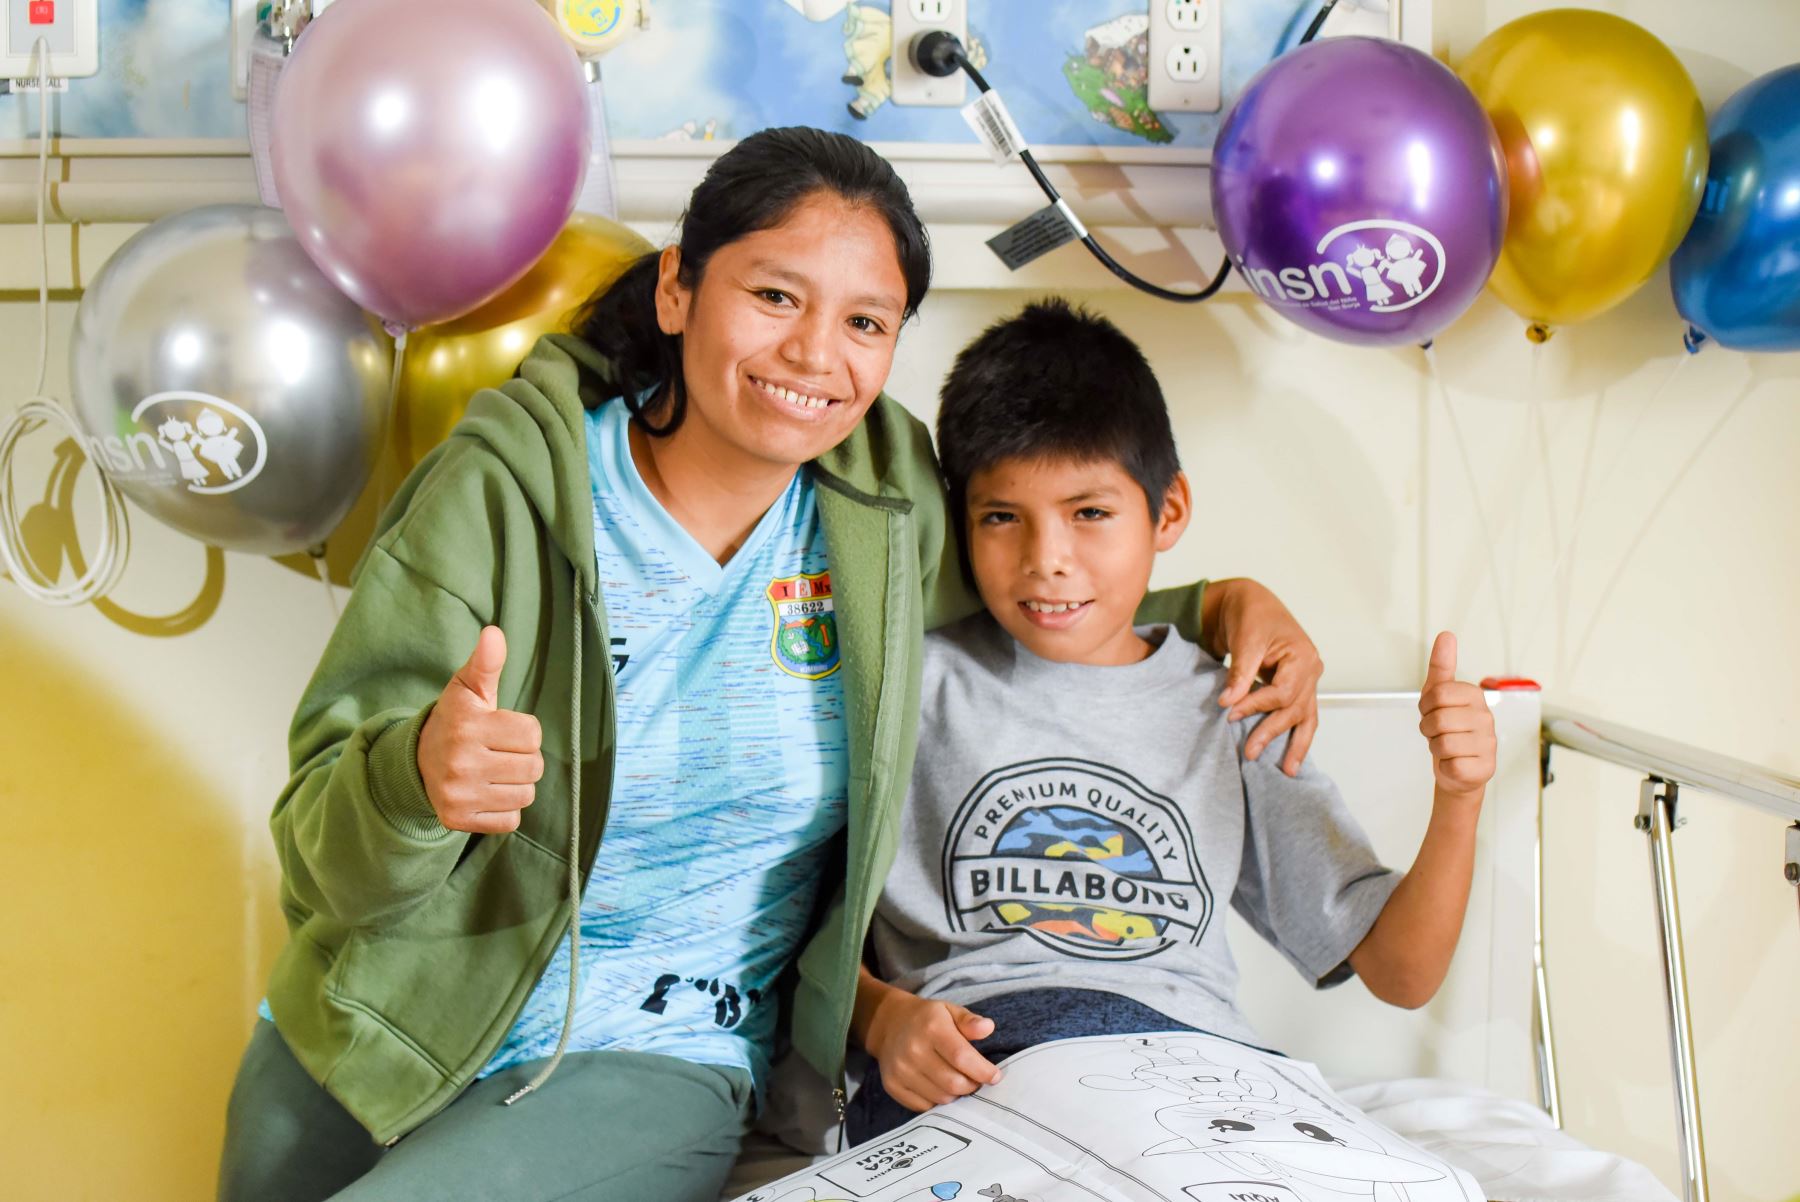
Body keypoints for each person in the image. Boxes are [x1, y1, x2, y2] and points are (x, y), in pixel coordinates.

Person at [216, 129, 1325, 1202]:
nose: (813, 355)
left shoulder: (883, 514)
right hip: (376, 1026)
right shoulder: (500, 495)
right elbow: (322, 857)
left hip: (659, 1045)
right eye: (774, 296)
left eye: (865, 321)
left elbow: (1045, 593)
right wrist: (416, 780)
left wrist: (1224, 603)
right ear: (676, 293)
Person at [846, 300, 1496, 1141]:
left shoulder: (1229, 705)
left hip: (1191, 1067)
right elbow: (799, 929)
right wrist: (878, 1019)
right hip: (979, 1059)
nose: (1048, 557)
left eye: (1090, 514)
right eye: (1002, 517)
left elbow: (1403, 973)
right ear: (959, 522)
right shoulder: (913, 685)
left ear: (1169, 511)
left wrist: (1460, 795)